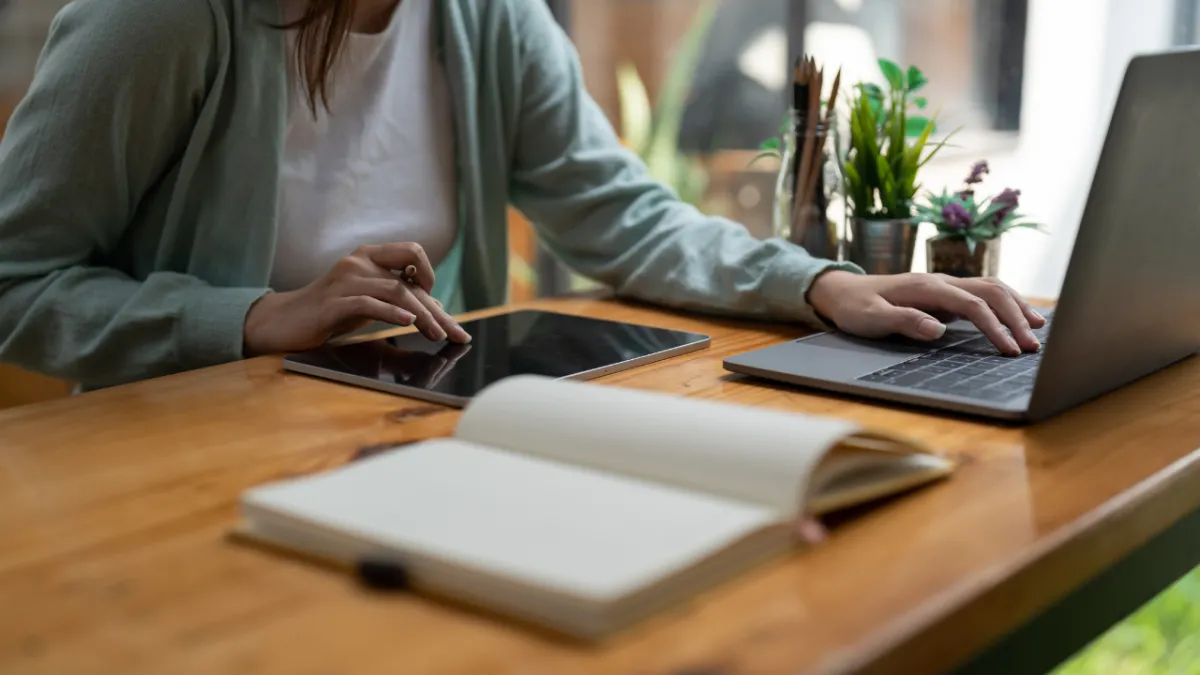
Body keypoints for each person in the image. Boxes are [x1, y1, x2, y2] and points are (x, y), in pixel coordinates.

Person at [0, 0, 1043, 392]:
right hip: (181, 460)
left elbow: (624, 215)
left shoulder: (488, 21)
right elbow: (16, 285)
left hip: (398, 439)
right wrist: (258, 317)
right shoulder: (164, 21)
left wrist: (821, 284)